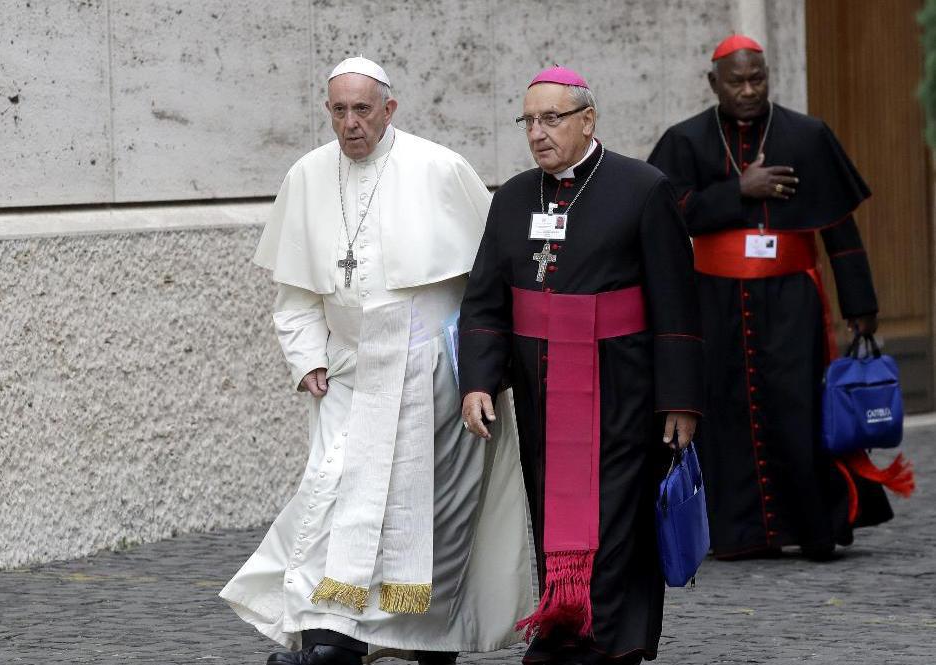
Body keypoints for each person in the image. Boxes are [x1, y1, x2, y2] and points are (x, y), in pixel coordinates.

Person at [219, 56, 533, 665]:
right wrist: (306, 355)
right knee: (333, 494)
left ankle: (426, 636)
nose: (350, 122)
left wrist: (484, 369)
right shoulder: (309, 175)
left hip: (433, 377)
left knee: (430, 508)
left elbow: (488, 283)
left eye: (363, 109)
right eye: (339, 110)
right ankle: (327, 633)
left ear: (389, 109)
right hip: (349, 373)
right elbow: (295, 293)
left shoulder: (439, 168)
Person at [458, 66, 704, 665]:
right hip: (542, 388)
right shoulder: (514, 196)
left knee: (616, 515)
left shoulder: (642, 188)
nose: (538, 133)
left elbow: (676, 300)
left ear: (587, 120)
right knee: (551, 510)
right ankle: (563, 623)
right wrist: (479, 382)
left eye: (552, 119)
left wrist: (680, 399)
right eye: (529, 121)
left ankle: (603, 639)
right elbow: (487, 298)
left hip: (621, 383)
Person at [647, 34, 913, 562]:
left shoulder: (807, 135)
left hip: (792, 301)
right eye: (737, 81)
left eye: (758, 79)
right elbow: (665, 216)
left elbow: (839, 229)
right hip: (715, 299)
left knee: (799, 407)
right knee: (724, 409)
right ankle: (738, 533)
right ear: (713, 83)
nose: (749, 90)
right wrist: (737, 192)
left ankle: (814, 528)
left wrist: (861, 306)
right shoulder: (684, 140)